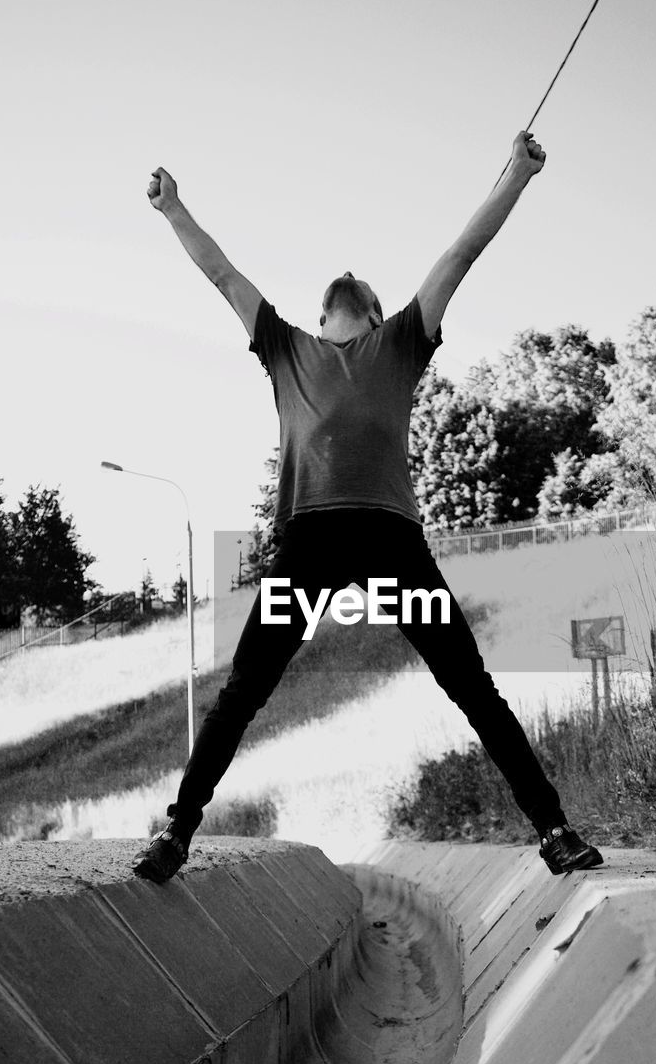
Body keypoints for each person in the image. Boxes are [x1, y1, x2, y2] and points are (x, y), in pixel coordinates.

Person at [131, 132, 604, 884]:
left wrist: (515, 175)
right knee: (244, 691)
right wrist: (174, 209)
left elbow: (458, 256)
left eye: (363, 292)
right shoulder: (284, 349)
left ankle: (552, 830)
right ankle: (175, 835)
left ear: (379, 317)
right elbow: (221, 274)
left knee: (470, 686)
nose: (346, 284)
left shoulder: (402, 344)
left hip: (390, 543)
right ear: (319, 322)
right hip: (308, 544)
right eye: (334, 295)